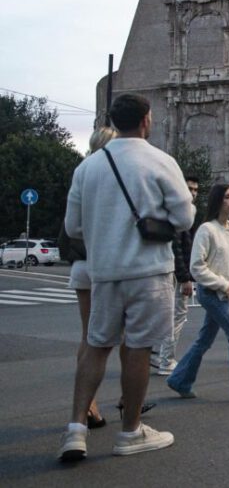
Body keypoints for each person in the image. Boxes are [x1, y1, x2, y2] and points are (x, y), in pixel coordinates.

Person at [61, 94, 195, 461]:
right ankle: (131, 431)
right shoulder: (160, 161)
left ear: (114, 121)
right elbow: (184, 219)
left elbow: (73, 226)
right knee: (138, 349)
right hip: (148, 270)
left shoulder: (88, 167)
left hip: (104, 272)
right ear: (147, 121)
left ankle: (75, 430)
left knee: (96, 345)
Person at [166, 185, 229, 401]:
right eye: (227, 197)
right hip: (212, 293)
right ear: (217, 201)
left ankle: (180, 379)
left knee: (204, 340)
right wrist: (224, 285)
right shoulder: (206, 229)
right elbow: (197, 266)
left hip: (228, 293)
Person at [58, 126, 117, 431]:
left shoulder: (82, 171)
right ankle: (106, 405)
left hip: (83, 265)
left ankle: (87, 408)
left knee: (90, 337)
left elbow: (71, 225)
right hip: (106, 264)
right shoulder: (109, 173)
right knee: (125, 338)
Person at [153, 175, 199, 376]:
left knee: (165, 315)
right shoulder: (180, 211)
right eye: (189, 188)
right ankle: (166, 360)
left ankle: (157, 355)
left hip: (165, 269)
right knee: (177, 316)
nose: (193, 193)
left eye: (196, 190)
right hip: (173, 272)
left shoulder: (171, 208)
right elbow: (177, 246)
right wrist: (185, 277)